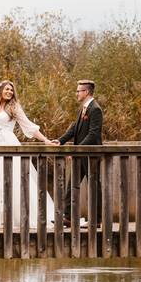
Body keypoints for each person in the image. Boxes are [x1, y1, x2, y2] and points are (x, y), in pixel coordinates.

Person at [0, 80, 56, 227]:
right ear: (0, 90)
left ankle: (17, 216)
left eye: (11, 90)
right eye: (7, 89)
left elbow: (29, 126)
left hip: (9, 145)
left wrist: (46, 140)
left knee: (14, 180)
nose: (9, 92)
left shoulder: (14, 107)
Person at [55, 80, 104, 227]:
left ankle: (96, 220)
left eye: (78, 91)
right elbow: (74, 128)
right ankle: (68, 217)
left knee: (94, 186)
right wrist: (60, 141)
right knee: (72, 184)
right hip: (81, 154)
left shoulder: (95, 109)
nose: (76, 93)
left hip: (90, 154)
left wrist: (76, 150)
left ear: (86, 92)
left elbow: (93, 134)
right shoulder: (83, 108)